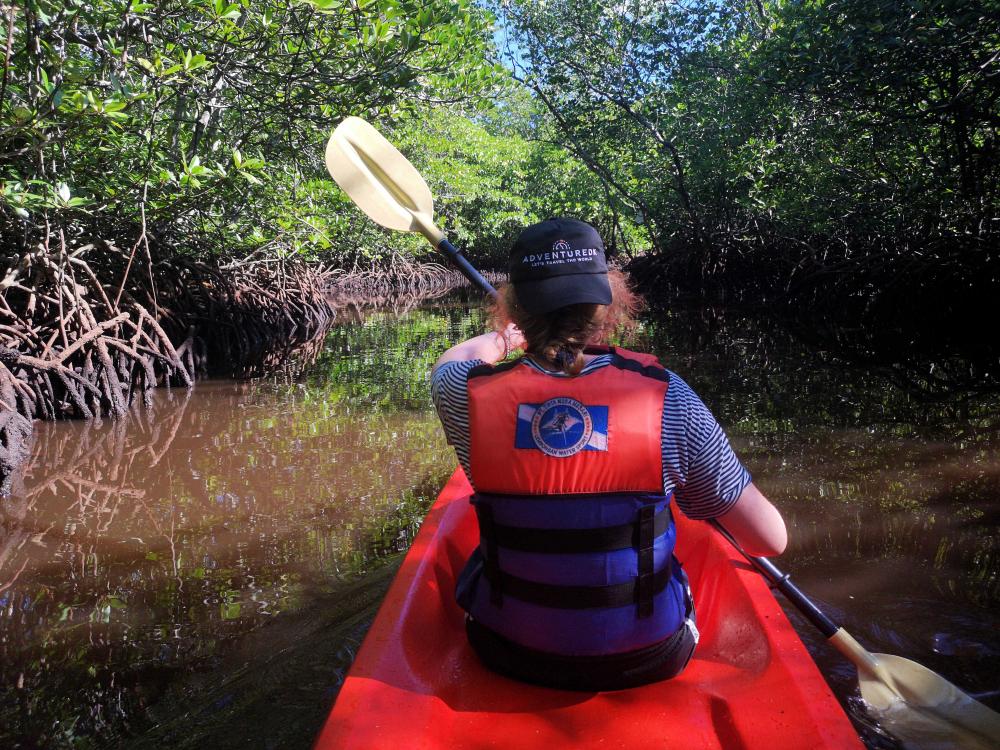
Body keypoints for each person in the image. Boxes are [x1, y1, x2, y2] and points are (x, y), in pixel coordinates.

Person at [430, 217, 787, 691]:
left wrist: (508, 338)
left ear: (513, 306)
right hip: (649, 658)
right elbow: (770, 539)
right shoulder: (668, 398)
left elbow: (450, 361)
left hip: (506, 651)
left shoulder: (461, 392)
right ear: (607, 304)